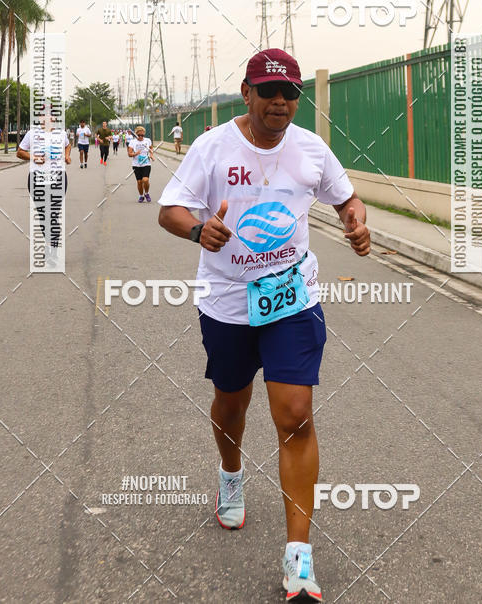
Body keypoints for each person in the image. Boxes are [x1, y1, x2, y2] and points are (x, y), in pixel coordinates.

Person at [157, 48, 370, 601]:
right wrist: (197, 230)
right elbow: (170, 209)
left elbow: (348, 199)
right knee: (231, 402)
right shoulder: (212, 147)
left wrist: (355, 221)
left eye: (289, 93)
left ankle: (299, 556)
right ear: (247, 93)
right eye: (269, 91)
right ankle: (230, 474)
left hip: (292, 298)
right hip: (228, 301)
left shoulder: (311, 148)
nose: (280, 102)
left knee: (295, 414)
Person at [17, 116, 71, 267]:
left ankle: (52, 251)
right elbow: (20, 152)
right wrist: (33, 157)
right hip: (37, 179)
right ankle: (49, 246)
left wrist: (67, 156)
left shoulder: (61, 134)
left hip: (58, 178)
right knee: (43, 214)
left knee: (53, 213)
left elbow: (68, 145)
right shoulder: (31, 134)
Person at [127, 125, 155, 202]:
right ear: (136, 134)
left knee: (145, 180)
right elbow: (129, 154)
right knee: (139, 182)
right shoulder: (132, 142)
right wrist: (135, 153)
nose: (140, 137)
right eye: (139, 135)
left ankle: (146, 193)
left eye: (142, 135)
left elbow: (151, 148)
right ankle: (141, 196)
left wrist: (151, 155)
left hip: (146, 163)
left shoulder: (147, 140)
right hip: (136, 165)